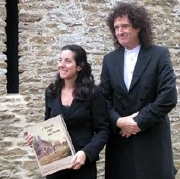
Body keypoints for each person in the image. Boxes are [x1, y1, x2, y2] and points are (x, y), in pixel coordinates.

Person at [99, 2, 177, 179]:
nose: (120, 31)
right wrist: (119, 121)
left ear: (138, 26)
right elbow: (103, 99)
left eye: (125, 26)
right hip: (121, 142)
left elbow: (168, 96)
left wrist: (138, 122)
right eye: (116, 27)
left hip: (152, 138)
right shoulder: (110, 60)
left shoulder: (159, 54)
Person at [25, 44, 109, 179]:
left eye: (68, 61)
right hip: (55, 167)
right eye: (60, 60)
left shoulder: (94, 94)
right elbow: (47, 125)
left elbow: (103, 130)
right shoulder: (51, 92)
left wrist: (85, 153)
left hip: (82, 166)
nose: (61, 65)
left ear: (79, 66)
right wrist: (35, 139)